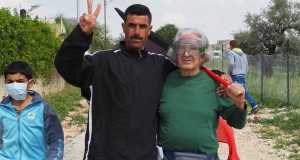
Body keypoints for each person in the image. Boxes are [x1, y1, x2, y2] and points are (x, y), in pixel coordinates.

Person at [54, 1, 231, 159]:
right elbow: (66, 67)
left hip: (146, 155)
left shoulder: (160, 65)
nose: (137, 32)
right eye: (132, 25)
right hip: (105, 154)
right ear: (123, 27)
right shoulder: (102, 62)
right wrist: (81, 35)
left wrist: (219, 73)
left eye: (142, 26)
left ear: (149, 29)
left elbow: (190, 68)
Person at [157, 28, 247, 160]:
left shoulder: (217, 84)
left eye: (194, 48)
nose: (186, 54)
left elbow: (238, 123)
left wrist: (239, 102)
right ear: (175, 53)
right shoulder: (163, 80)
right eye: (181, 47)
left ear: (203, 55)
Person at [0, 61, 64, 160]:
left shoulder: (43, 108)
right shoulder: (2, 109)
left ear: (30, 83)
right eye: (10, 82)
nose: (14, 85)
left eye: (20, 81)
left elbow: (56, 140)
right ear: (5, 83)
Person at [227, 40, 260, 115]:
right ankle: (253, 105)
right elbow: (247, 65)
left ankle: (252, 105)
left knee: (236, 91)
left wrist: (229, 73)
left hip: (235, 75)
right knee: (242, 91)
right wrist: (244, 72)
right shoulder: (244, 54)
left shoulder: (231, 53)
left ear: (231, 45)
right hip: (242, 75)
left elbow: (231, 64)